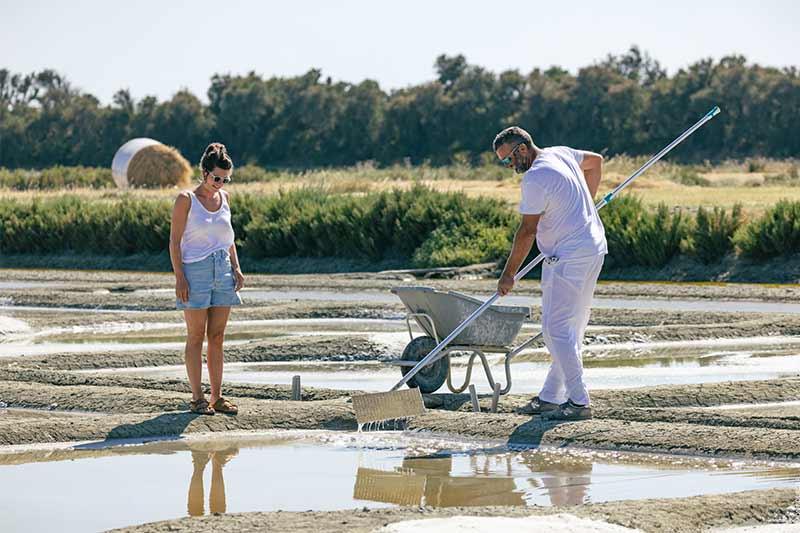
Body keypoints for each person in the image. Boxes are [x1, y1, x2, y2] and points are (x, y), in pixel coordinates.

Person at [493, 127, 606, 421]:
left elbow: (527, 231)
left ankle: (579, 402)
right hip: (593, 248)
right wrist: (586, 208)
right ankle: (550, 396)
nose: (510, 168)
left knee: (555, 330)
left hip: (568, 257)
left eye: (508, 160)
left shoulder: (535, 178)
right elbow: (596, 161)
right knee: (571, 328)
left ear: (521, 149)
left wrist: (508, 275)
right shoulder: (561, 153)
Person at [169, 142, 244, 416]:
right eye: (216, 178)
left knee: (217, 336)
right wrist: (180, 278)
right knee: (195, 335)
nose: (220, 183)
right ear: (204, 172)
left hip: (222, 270)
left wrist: (236, 267)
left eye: (225, 179)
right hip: (195, 272)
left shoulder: (225, 198)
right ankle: (198, 398)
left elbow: (229, 238)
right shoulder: (185, 200)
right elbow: (174, 242)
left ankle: (217, 397)